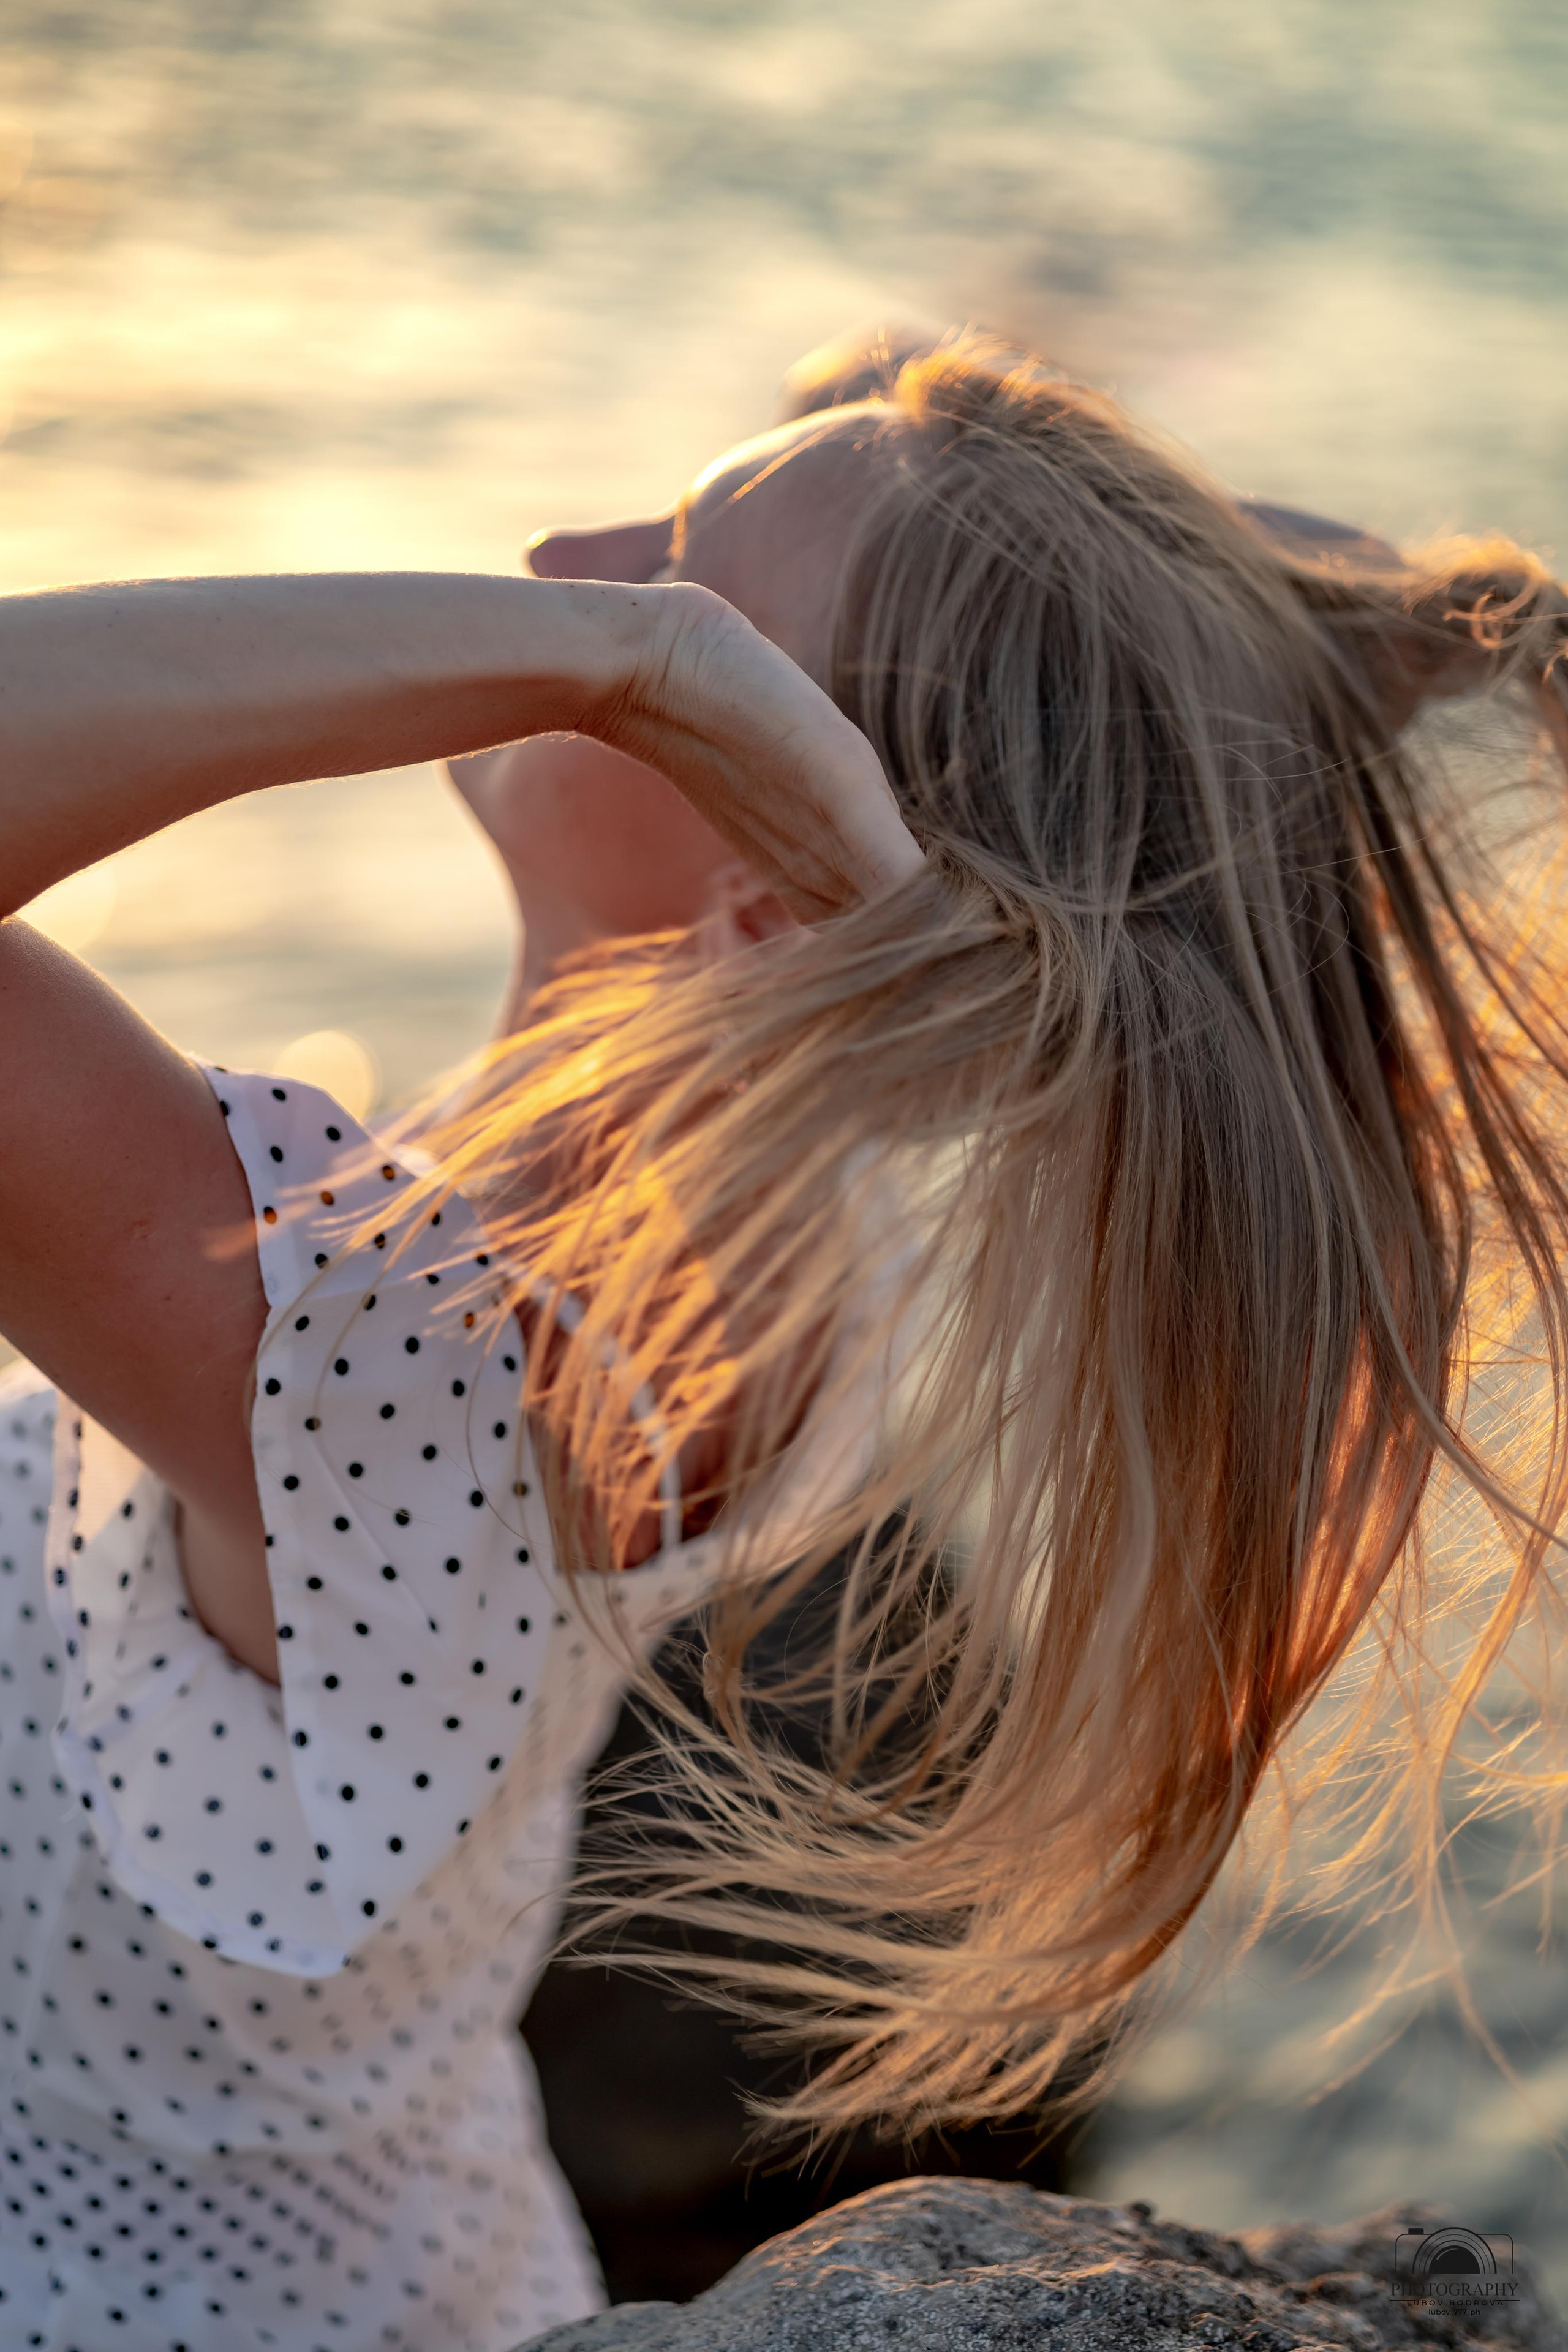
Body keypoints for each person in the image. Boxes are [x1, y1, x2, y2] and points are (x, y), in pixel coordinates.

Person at [1, 326, 1566, 2352]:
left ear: (764, 893)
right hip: (396, 2254)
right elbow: (1074, 665)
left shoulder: (402, 1353)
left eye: (667, 584)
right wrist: (1415, 631)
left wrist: (617, 654)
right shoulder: (785, 1226)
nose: (563, 552)